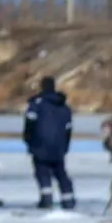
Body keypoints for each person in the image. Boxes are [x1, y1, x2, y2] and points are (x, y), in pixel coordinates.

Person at [22, 76, 74, 210]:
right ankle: (68, 199)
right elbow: (68, 128)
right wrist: (65, 146)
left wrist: (28, 139)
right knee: (61, 173)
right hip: (58, 147)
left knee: (42, 172)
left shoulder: (37, 104)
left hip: (40, 144)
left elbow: (29, 123)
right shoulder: (63, 106)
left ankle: (46, 199)